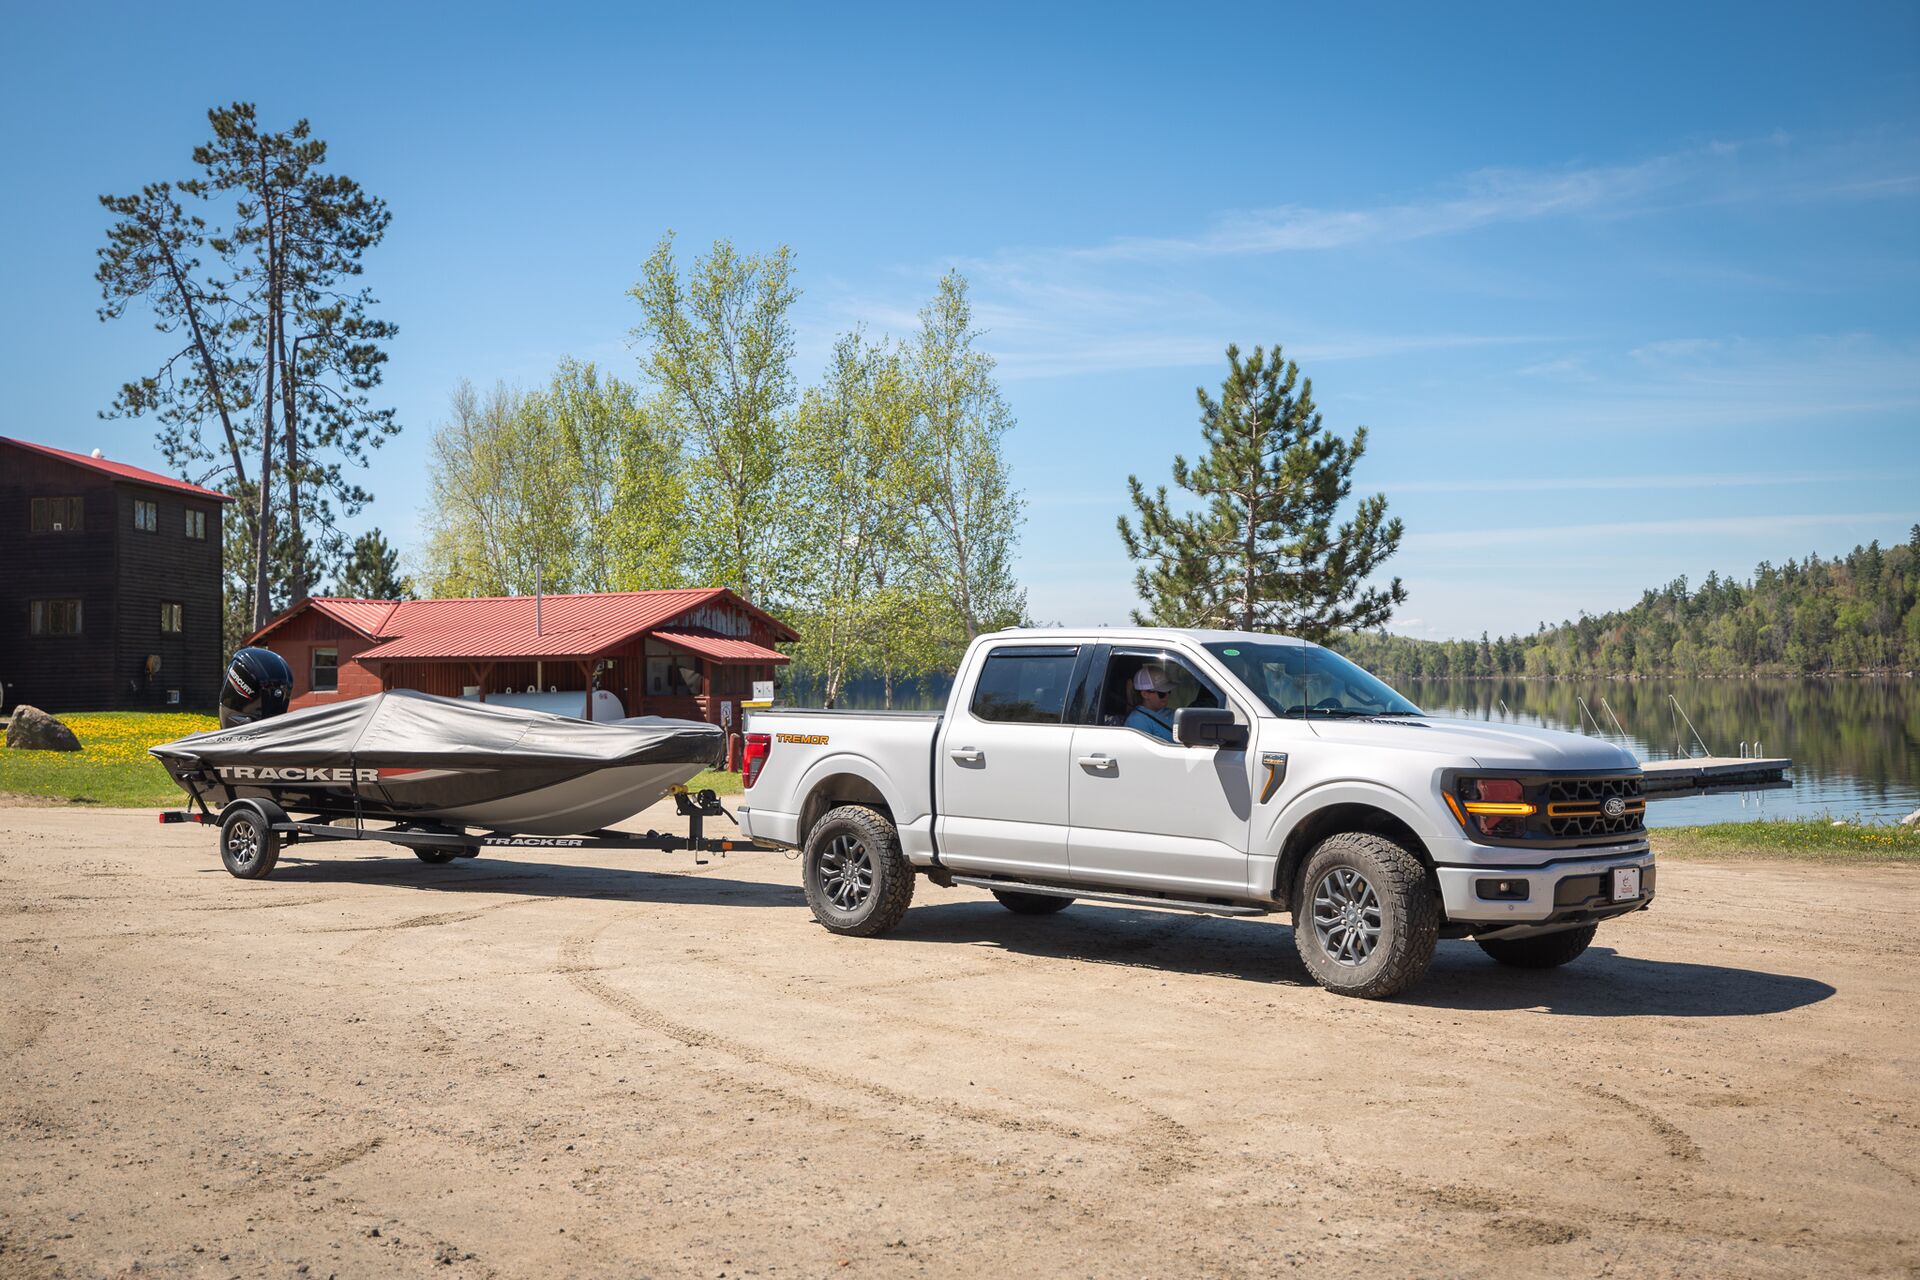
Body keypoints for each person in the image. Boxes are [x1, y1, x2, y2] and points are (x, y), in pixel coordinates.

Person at [1125, 665, 1176, 741]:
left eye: (1168, 691)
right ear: (1145, 694)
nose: (1167, 696)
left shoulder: (1170, 712)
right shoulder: (1137, 721)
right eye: (1161, 693)